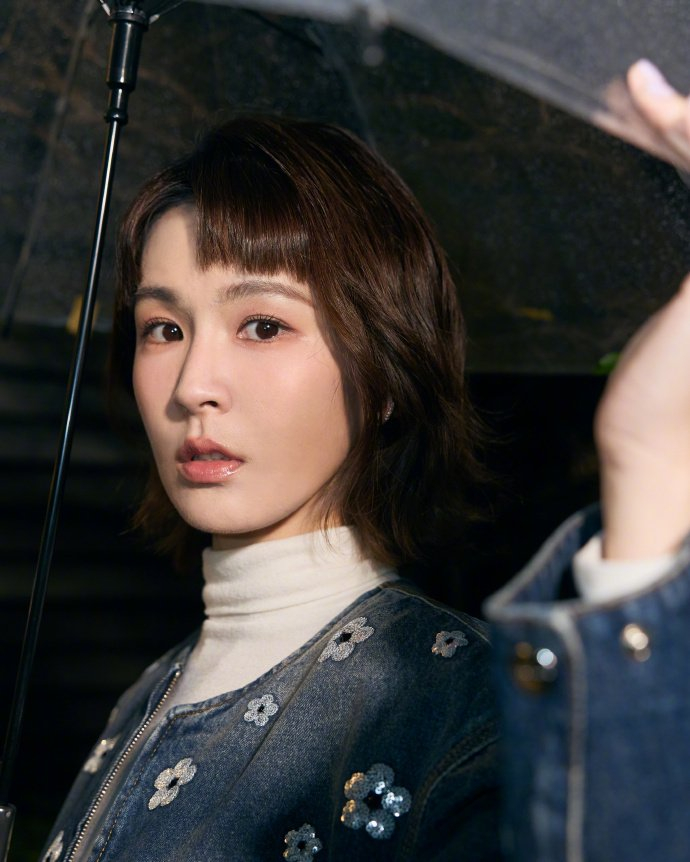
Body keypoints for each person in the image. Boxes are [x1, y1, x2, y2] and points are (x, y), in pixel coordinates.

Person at [39, 60, 690, 862]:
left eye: (264, 326)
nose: (192, 386)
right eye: (163, 329)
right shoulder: (145, 697)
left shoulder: (460, 709)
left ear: (384, 372)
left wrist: (647, 468)